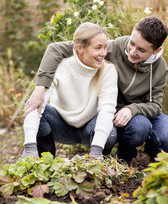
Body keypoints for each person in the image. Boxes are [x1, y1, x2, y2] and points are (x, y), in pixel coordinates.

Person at [24, 16, 168, 164]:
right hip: (117, 113)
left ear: (156, 51)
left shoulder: (160, 68)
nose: (132, 52)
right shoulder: (113, 47)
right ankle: (124, 157)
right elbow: (56, 49)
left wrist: (132, 109)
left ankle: (155, 163)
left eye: (141, 50)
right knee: (139, 127)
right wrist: (40, 88)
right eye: (132, 43)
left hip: (142, 110)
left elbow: (155, 105)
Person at [22, 22, 118, 159]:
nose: (104, 53)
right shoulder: (60, 65)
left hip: (90, 128)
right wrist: (29, 146)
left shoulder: (108, 70)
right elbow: (36, 104)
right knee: (38, 110)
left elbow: (107, 110)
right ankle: (43, 162)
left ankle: (99, 162)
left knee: (111, 133)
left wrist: (96, 151)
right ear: (80, 48)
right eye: (98, 48)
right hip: (61, 126)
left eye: (105, 47)